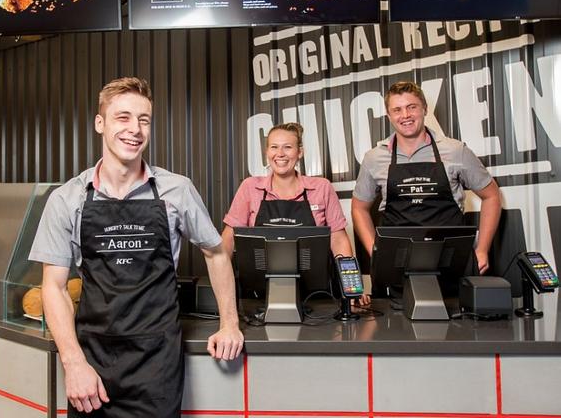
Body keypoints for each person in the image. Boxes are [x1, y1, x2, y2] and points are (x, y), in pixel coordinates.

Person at [29, 77, 243, 418]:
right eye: (123, 117)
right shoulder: (67, 199)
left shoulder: (176, 190)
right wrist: (73, 363)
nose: (135, 129)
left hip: (156, 361)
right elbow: (53, 286)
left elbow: (215, 252)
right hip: (93, 362)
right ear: (100, 123)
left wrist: (229, 323)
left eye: (144, 119)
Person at [351, 81, 501, 275]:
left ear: (424, 109)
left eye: (411, 107)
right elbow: (358, 208)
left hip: (452, 261)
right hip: (397, 263)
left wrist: (481, 249)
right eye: (397, 110)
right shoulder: (374, 158)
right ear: (389, 116)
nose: (405, 115)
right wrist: (376, 251)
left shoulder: (456, 151)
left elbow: (492, 196)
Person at [221, 122, 369, 303]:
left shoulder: (321, 187)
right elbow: (228, 238)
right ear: (267, 152)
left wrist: (350, 287)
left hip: (315, 296)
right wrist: (220, 287)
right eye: (274, 147)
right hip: (258, 296)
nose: (280, 154)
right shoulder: (250, 187)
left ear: (300, 152)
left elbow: (338, 240)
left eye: (288, 147)